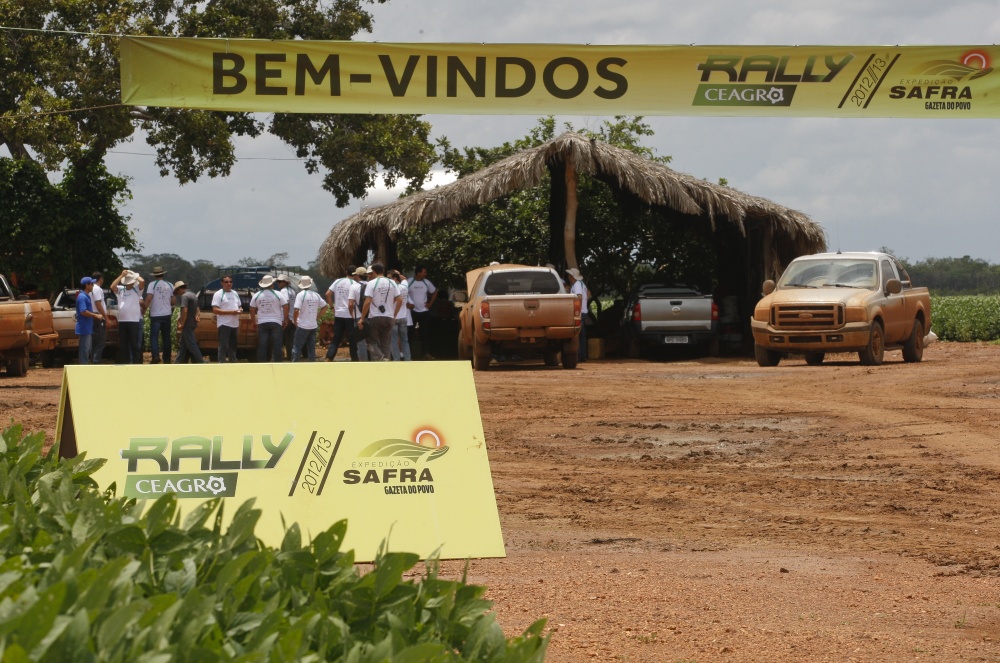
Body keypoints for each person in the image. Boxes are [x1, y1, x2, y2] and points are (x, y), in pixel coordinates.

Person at [358, 262, 401, 361]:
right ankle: (386, 366)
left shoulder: (371, 283)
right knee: (385, 344)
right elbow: (399, 300)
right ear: (383, 271)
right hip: (389, 317)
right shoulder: (392, 282)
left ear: (373, 272)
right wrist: (394, 315)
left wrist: (362, 318)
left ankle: (380, 358)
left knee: (370, 342)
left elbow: (367, 301)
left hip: (375, 317)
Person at [250, 274, 288, 362]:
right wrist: (285, 320)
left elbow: (252, 309)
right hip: (276, 322)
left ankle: (262, 362)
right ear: (272, 284)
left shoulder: (257, 295)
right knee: (277, 343)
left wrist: (253, 322)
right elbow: (285, 306)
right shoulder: (278, 294)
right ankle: (278, 362)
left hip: (262, 322)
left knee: (262, 344)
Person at [325, 265, 359, 361]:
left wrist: (332, 307)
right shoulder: (355, 284)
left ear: (346, 272)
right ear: (355, 274)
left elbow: (328, 294)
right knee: (352, 338)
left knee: (337, 337)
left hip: (339, 314)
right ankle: (354, 358)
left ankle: (329, 357)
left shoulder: (337, 281)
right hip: (350, 314)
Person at [111, 269, 145, 363]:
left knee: (134, 344)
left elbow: (142, 281)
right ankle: (125, 363)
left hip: (133, 321)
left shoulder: (137, 289)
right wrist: (121, 276)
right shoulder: (121, 289)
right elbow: (112, 286)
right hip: (122, 321)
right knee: (123, 344)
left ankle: (136, 363)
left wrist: (133, 274)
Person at [291, 276, 327, 361]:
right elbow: (324, 307)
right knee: (311, 348)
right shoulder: (316, 295)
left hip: (302, 325)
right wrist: (317, 318)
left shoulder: (300, 295)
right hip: (313, 325)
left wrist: (295, 321)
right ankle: (312, 365)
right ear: (310, 284)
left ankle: (294, 365)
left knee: (297, 347)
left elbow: (296, 309)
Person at [144, 265, 174, 364]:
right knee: (166, 337)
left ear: (154, 275)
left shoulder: (152, 284)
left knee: (154, 337)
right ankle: (167, 358)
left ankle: (156, 357)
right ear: (162, 274)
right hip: (167, 314)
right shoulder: (170, 285)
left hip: (155, 314)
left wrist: (143, 309)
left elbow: (148, 299)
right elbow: (173, 301)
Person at [408, 264, 438, 359]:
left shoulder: (426, 282)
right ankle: (408, 354)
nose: (426, 274)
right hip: (411, 312)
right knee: (409, 333)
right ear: (418, 273)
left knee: (425, 333)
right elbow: (402, 292)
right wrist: (407, 304)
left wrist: (430, 304)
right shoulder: (409, 281)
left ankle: (425, 354)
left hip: (424, 311)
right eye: (424, 272)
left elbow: (434, 292)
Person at [173, 281, 204, 363]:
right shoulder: (193, 295)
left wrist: (182, 323)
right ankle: (177, 362)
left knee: (191, 344)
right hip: (192, 323)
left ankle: (201, 362)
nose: (177, 293)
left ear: (179, 289)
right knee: (183, 344)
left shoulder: (184, 296)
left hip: (187, 324)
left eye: (177, 291)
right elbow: (198, 308)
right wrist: (197, 315)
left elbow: (185, 310)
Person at [211, 275, 241, 362]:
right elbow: (215, 310)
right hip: (224, 324)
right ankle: (222, 363)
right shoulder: (218, 294)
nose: (229, 284)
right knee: (223, 346)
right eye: (226, 282)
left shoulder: (235, 293)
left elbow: (239, 305)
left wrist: (240, 310)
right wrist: (232, 312)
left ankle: (233, 362)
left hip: (234, 324)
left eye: (230, 282)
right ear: (222, 283)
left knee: (233, 346)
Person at [75, 276, 103, 365]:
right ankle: (83, 367)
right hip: (84, 327)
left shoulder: (85, 296)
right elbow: (83, 311)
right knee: (84, 348)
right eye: (91, 284)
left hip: (87, 327)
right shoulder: (82, 297)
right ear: (87, 285)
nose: (93, 286)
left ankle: (85, 365)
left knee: (87, 348)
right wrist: (96, 315)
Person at [566, 267, 591, 362]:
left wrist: (578, 311)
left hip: (580, 312)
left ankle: (581, 355)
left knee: (578, 334)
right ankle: (582, 355)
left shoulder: (576, 285)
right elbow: (588, 295)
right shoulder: (582, 284)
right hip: (584, 311)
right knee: (582, 335)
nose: (568, 277)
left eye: (569, 275)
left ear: (572, 276)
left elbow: (579, 297)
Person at [388, 269, 411, 361]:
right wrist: (398, 274)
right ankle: (407, 359)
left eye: (390, 278)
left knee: (393, 340)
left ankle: (396, 359)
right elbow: (404, 278)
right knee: (404, 340)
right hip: (403, 317)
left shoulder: (392, 288)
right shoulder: (404, 286)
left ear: (394, 278)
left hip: (393, 317)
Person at [349, 267, 369, 361]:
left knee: (361, 342)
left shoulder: (354, 286)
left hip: (358, 317)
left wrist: (351, 314)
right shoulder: (371, 285)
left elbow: (350, 303)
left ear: (357, 276)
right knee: (373, 341)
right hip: (371, 316)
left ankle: (363, 363)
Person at [89, 271, 109, 363]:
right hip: (98, 317)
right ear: (100, 279)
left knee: (95, 341)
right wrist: (106, 318)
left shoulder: (91, 288)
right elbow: (98, 304)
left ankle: (94, 360)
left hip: (93, 317)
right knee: (100, 341)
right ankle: (96, 361)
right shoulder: (97, 289)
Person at [276, 274, 296, 361]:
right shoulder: (292, 291)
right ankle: (291, 357)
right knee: (290, 340)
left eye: (279, 282)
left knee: (279, 338)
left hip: (286, 318)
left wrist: (285, 318)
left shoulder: (283, 291)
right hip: (292, 318)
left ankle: (279, 357)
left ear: (285, 282)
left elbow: (286, 304)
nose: (278, 284)